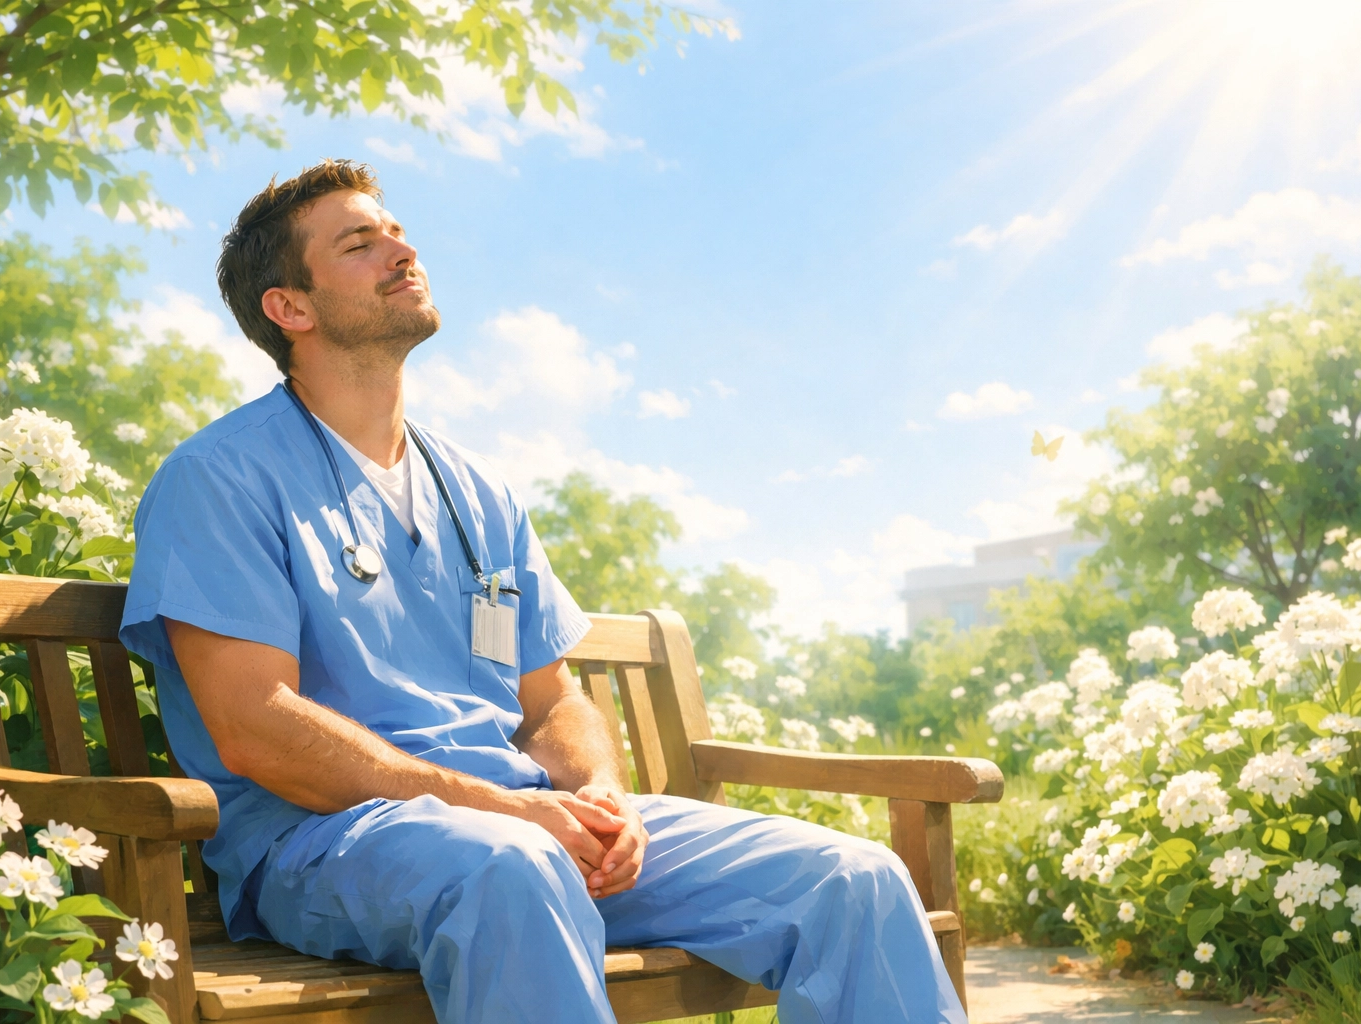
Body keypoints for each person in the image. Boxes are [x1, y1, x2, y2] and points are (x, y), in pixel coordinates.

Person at [120, 158, 967, 1024]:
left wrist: (598, 796)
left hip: (524, 825)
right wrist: (506, 808)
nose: (401, 249)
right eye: (360, 242)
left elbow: (550, 700)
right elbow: (256, 726)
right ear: (290, 307)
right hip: (328, 841)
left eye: (397, 230)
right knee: (512, 866)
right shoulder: (220, 478)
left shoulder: (475, 489)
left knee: (851, 878)